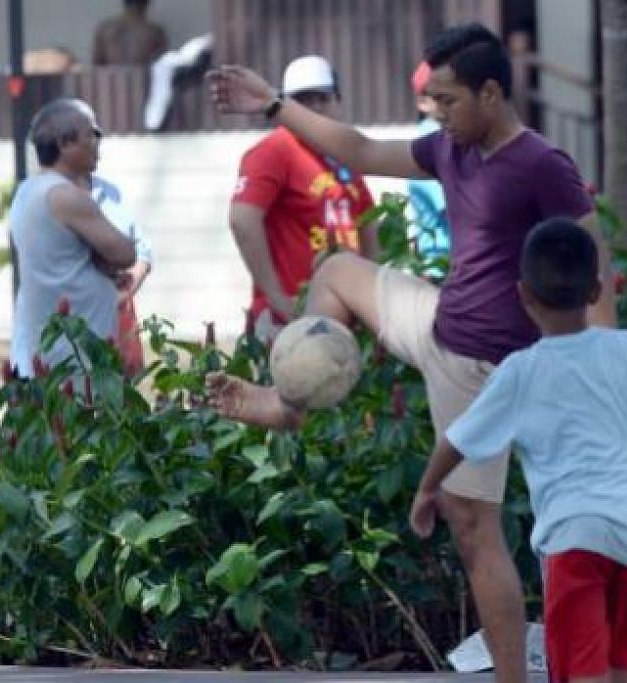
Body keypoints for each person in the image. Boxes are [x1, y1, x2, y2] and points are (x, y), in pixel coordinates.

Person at [206, 23, 613, 683]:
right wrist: (275, 104)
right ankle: (289, 403)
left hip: (486, 366)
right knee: (338, 270)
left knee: (472, 525)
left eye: (448, 101)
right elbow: (360, 147)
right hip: (437, 320)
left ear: (490, 92)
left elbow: (592, 263)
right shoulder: (452, 150)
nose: (438, 114)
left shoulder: (542, 165)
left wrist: (594, 360)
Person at [410, 218, 627, 683]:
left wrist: (427, 491)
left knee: (584, 671)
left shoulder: (520, 372)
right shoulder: (622, 350)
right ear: (596, 291)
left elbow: (456, 440)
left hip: (574, 539)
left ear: (524, 296)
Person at [230, 54, 377, 342]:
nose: (314, 108)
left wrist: (370, 299)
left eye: (322, 98)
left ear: (338, 100)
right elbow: (242, 220)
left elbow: (369, 224)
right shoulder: (273, 152)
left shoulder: (344, 152)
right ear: (285, 104)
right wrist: (276, 296)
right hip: (290, 318)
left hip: (345, 317)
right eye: (303, 100)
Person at [9, 98, 136, 377]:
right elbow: (126, 253)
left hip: (48, 350)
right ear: (65, 144)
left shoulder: (26, 191)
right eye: (92, 134)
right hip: (76, 356)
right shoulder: (66, 196)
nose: (97, 142)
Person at [72, 100, 154, 375]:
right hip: (68, 321)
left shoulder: (112, 194)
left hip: (116, 316)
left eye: (97, 136)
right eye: (88, 137)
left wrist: (123, 294)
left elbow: (142, 252)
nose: (95, 144)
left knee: (121, 405)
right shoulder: (43, 197)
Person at [407, 61, 450, 270]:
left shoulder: (448, 136)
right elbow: (450, 204)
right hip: (439, 262)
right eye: (439, 95)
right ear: (422, 102)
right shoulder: (428, 142)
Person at [92, 0, 167, 67]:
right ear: (147, 4)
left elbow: (96, 67)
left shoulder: (105, 29)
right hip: (141, 80)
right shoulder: (154, 32)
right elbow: (161, 67)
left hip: (111, 81)